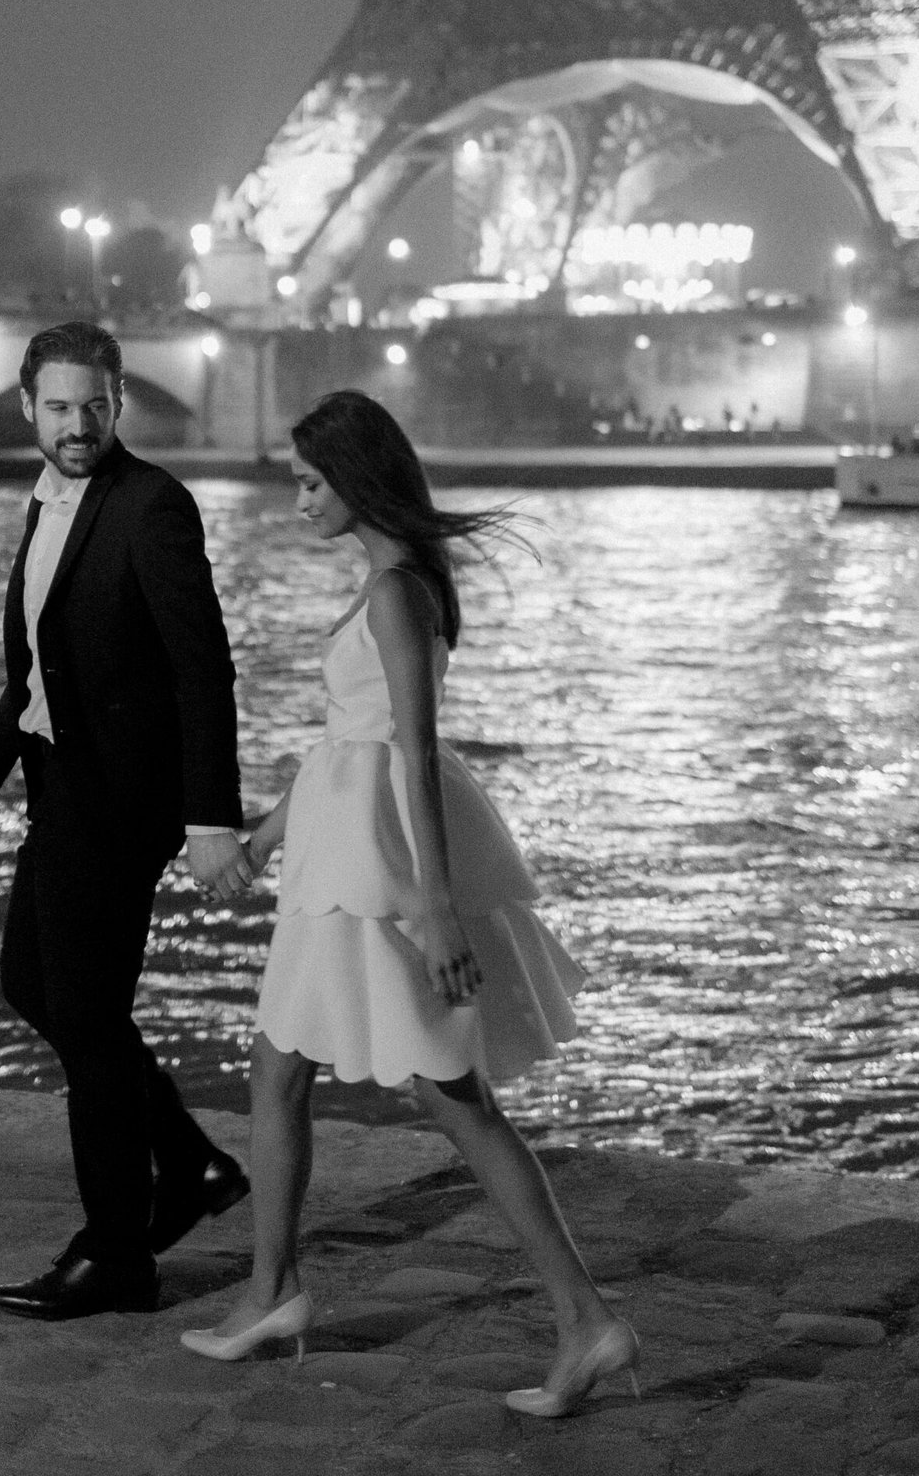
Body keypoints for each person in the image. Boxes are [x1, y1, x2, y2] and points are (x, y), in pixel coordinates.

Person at [180, 390, 638, 1419]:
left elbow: (412, 752)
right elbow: (350, 740)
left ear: (356, 477)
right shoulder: (394, 582)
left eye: (308, 482)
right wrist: (260, 835)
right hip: (344, 852)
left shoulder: (396, 593)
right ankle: (274, 1288)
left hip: (375, 868)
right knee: (286, 1069)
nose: (296, 501)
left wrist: (434, 905)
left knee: (449, 1094)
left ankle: (579, 1314)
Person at [0, 321, 253, 1320]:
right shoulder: (49, 504)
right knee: (34, 984)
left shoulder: (153, 505)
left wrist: (210, 816)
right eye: (62, 407)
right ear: (27, 407)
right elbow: (37, 668)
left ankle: (118, 1249)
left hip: (120, 802)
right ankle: (190, 1163)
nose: (81, 424)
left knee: (79, 1010)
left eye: (97, 406)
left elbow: (203, 668)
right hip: (59, 786)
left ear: (121, 403)